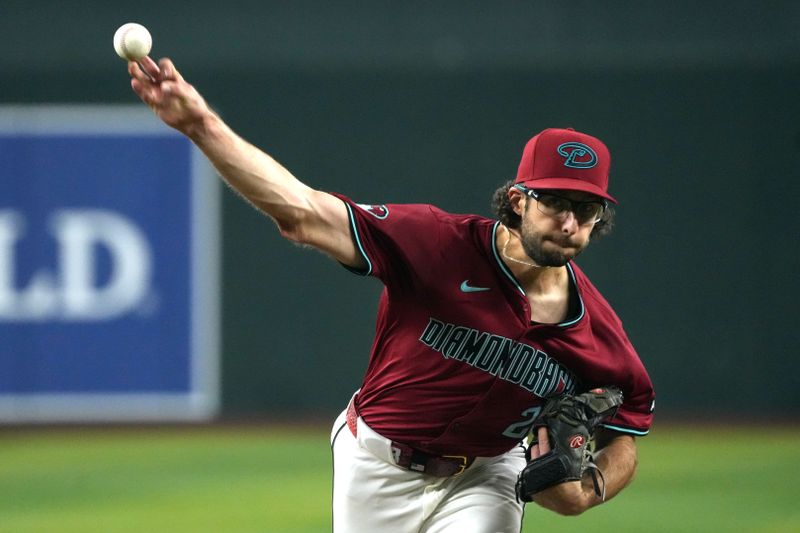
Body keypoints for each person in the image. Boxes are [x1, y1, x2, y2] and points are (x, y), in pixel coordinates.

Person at [127, 56, 655, 532]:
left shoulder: (596, 329)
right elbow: (304, 212)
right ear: (518, 200)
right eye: (555, 202)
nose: (569, 222)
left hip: (490, 476)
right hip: (376, 463)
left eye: (586, 210)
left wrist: (593, 489)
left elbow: (627, 421)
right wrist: (200, 124)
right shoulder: (437, 243)